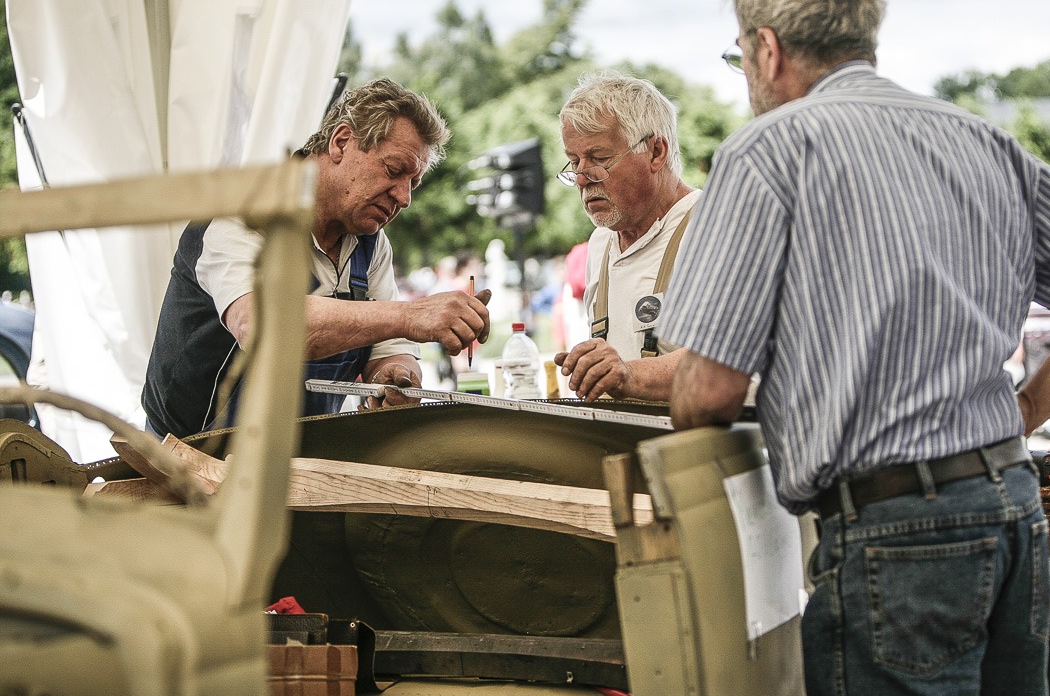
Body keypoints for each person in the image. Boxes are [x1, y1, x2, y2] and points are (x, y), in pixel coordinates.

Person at [660, 0, 1050, 696]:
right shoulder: (976, 136)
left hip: (893, 531)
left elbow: (707, 394)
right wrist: (1024, 409)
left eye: (740, 58)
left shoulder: (768, 150)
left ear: (767, 49)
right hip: (1010, 500)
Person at [142, 78, 491, 436]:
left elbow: (389, 348)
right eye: (394, 170)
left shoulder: (371, 243)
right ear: (341, 142)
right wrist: (412, 315)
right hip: (189, 451)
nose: (404, 198)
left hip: (299, 450)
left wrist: (395, 375)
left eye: (412, 184)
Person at [552, 72, 699, 402]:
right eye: (574, 161)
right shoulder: (600, 244)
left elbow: (730, 361)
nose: (581, 178)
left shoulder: (713, 227)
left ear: (656, 152)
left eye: (600, 159)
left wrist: (631, 375)